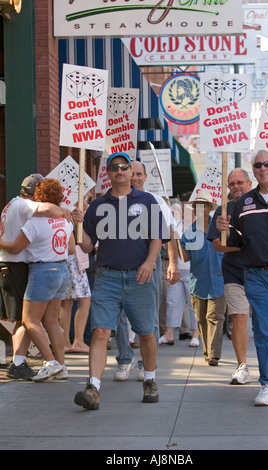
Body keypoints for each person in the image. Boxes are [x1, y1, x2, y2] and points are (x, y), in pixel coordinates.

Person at [74, 152, 170, 410]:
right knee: (101, 332)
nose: (119, 171)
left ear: (130, 172)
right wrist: (78, 225)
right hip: (107, 277)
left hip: (140, 277)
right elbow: (85, 246)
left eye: (124, 167)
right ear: (107, 173)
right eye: (114, 167)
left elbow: (157, 237)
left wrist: (150, 263)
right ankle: (93, 387)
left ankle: (150, 380)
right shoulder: (96, 205)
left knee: (146, 333)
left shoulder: (148, 200)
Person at [216, 149, 268, 406]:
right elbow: (237, 242)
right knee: (263, 328)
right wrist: (224, 232)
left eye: (267, 164)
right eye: (258, 165)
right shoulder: (243, 204)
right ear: (253, 170)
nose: (263, 168)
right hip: (256, 275)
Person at [0, 178, 75, 382]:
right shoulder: (65, 220)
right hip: (62, 270)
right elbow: (70, 249)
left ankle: (50, 363)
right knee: (51, 322)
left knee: (29, 320)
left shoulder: (35, 221)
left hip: (42, 271)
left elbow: (16, 248)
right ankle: (62, 366)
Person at [113, 160, 180, 382]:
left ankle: (146, 364)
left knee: (149, 314)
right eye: (133, 173)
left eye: (140, 174)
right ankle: (124, 359)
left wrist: (172, 263)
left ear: (144, 176)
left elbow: (169, 234)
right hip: (120, 265)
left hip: (150, 264)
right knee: (120, 315)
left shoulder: (156, 201)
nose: (135, 178)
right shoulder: (113, 199)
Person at [207, 168, 253, 384]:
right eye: (232, 183)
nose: (236, 187)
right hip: (234, 273)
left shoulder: (261, 206)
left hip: (261, 272)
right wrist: (243, 248)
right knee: (239, 317)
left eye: (240, 182)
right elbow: (217, 246)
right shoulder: (223, 211)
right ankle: (242, 365)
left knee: (266, 322)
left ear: (249, 183)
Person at [180, 191, 225, 366]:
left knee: (215, 317)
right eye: (196, 206)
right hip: (198, 282)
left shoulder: (219, 227)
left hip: (219, 280)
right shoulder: (188, 232)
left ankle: (214, 354)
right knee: (201, 319)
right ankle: (208, 351)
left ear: (208, 208)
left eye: (203, 205)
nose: (199, 209)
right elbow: (185, 257)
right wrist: (174, 241)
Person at [159, 202, 199, 347]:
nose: (185, 210)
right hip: (177, 269)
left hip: (191, 270)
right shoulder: (176, 224)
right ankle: (169, 333)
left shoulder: (197, 226)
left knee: (192, 304)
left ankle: (195, 333)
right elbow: (167, 244)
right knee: (172, 301)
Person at [59, 195, 91, 354]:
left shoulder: (60, 209)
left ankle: (66, 342)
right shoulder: (70, 210)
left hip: (66, 259)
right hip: (74, 259)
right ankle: (77, 340)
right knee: (84, 300)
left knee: (67, 302)